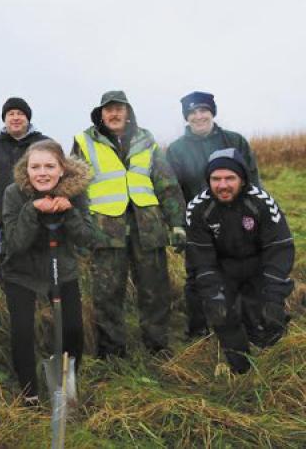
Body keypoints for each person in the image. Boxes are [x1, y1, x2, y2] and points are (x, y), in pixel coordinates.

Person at [72, 90, 185, 358]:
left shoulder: (147, 141)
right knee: (107, 293)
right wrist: (79, 230)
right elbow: (75, 189)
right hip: (104, 231)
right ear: (100, 114)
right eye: (108, 109)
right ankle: (112, 353)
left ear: (128, 112)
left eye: (119, 108)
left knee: (155, 290)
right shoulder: (84, 142)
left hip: (148, 229)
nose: (114, 113)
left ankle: (157, 346)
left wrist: (177, 224)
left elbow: (166, 182)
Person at [1, 140, 94, 404]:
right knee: (22, 331)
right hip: (22, 272)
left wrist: (69, 211)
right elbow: (15, 244)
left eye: (49, 166)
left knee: (73, 329)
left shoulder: (76, 193)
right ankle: (29, 392)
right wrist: (32, 210)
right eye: (36, 166)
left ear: (62, 169)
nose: (42, 172)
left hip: (62, 270)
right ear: (26, 170)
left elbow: (87, 237)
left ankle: (67, 382)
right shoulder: (14, 193)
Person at [185, 148, 294, 373]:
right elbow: (201, 259)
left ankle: (269, 350)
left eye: (229, 178)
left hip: (258, 266)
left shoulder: (262, 202)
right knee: (221, 312)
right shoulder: (197, 208)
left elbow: (279, 248)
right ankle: (240, 368)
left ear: (242, 180)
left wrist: (274, 295)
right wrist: (214, 295)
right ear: (208, 180)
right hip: (221, 267)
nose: (222, 185)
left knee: (267, 320)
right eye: (216, 179)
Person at [166, 91, 262, 338]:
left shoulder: (235, 141)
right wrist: (178, 224)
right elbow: (172, 190)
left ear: (212, 112)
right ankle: (199, 331)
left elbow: (252, 180)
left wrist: (254, 216)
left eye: (203, 110)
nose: (198, 116)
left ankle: (248, 327)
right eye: (192, 112)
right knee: (199, 276)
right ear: (186, 117)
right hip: (198, 225)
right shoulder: (176, 150)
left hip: (237, 221)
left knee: (242, 272)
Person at [0, 96, 51, 287]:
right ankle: (14, 312)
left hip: (43, 218)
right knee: (9, 275)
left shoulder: (45, 144)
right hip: (4, 222)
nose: (15, 117)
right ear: (4, 119)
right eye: (11, 114)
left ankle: (47, 312)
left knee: (45, 272)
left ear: (28, 118)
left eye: (20, 113)